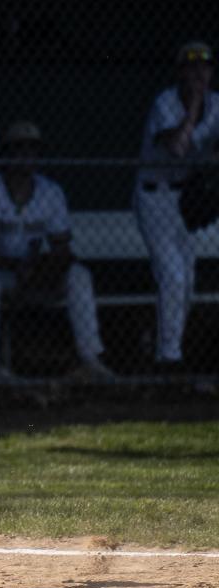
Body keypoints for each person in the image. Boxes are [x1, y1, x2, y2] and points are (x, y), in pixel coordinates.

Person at [0, 121, 114, 381]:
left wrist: (43, 268)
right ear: (6, 153)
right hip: (3, 271)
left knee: (79, 276)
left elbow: (63, 249)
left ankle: (90, 359)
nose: (26, 156)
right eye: (19, 149)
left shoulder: (50, 191)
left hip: (37, 270)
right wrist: (18, 267)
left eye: (32, 150)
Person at [135, 41, 219, 372]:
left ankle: (171, 350)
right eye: (191, 67)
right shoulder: (166, 102)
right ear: (179, 72)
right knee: (172, 275)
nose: (199, 73)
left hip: (185, 198)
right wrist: (195, 104)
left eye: (205, 66)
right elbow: (177, 147)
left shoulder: (218, 104)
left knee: (188, 278)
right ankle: (169, 360)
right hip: (154, 196)